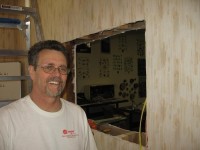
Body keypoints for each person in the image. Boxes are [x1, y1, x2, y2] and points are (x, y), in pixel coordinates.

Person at [0, 40, 98, 150]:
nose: (57, 74)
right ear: (32, 71)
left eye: (62, 68)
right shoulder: (6, 119)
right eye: (49, 67)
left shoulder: (78, 114)